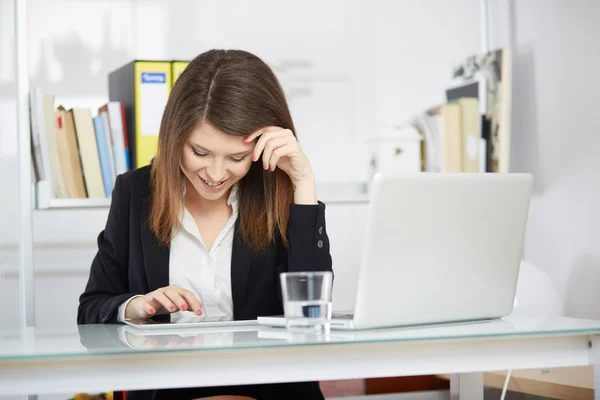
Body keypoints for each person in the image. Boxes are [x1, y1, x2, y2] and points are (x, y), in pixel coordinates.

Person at [78, 49, 333, 400]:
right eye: (199, 152)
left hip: (269, 391)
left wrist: (303, 183)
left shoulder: (280, 193)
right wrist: (136, 306)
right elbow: (91, 309)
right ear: (174, 137)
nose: (215, 175)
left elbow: (311, 314)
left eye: (236, 158)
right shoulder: (135, 193)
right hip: (169, 390)